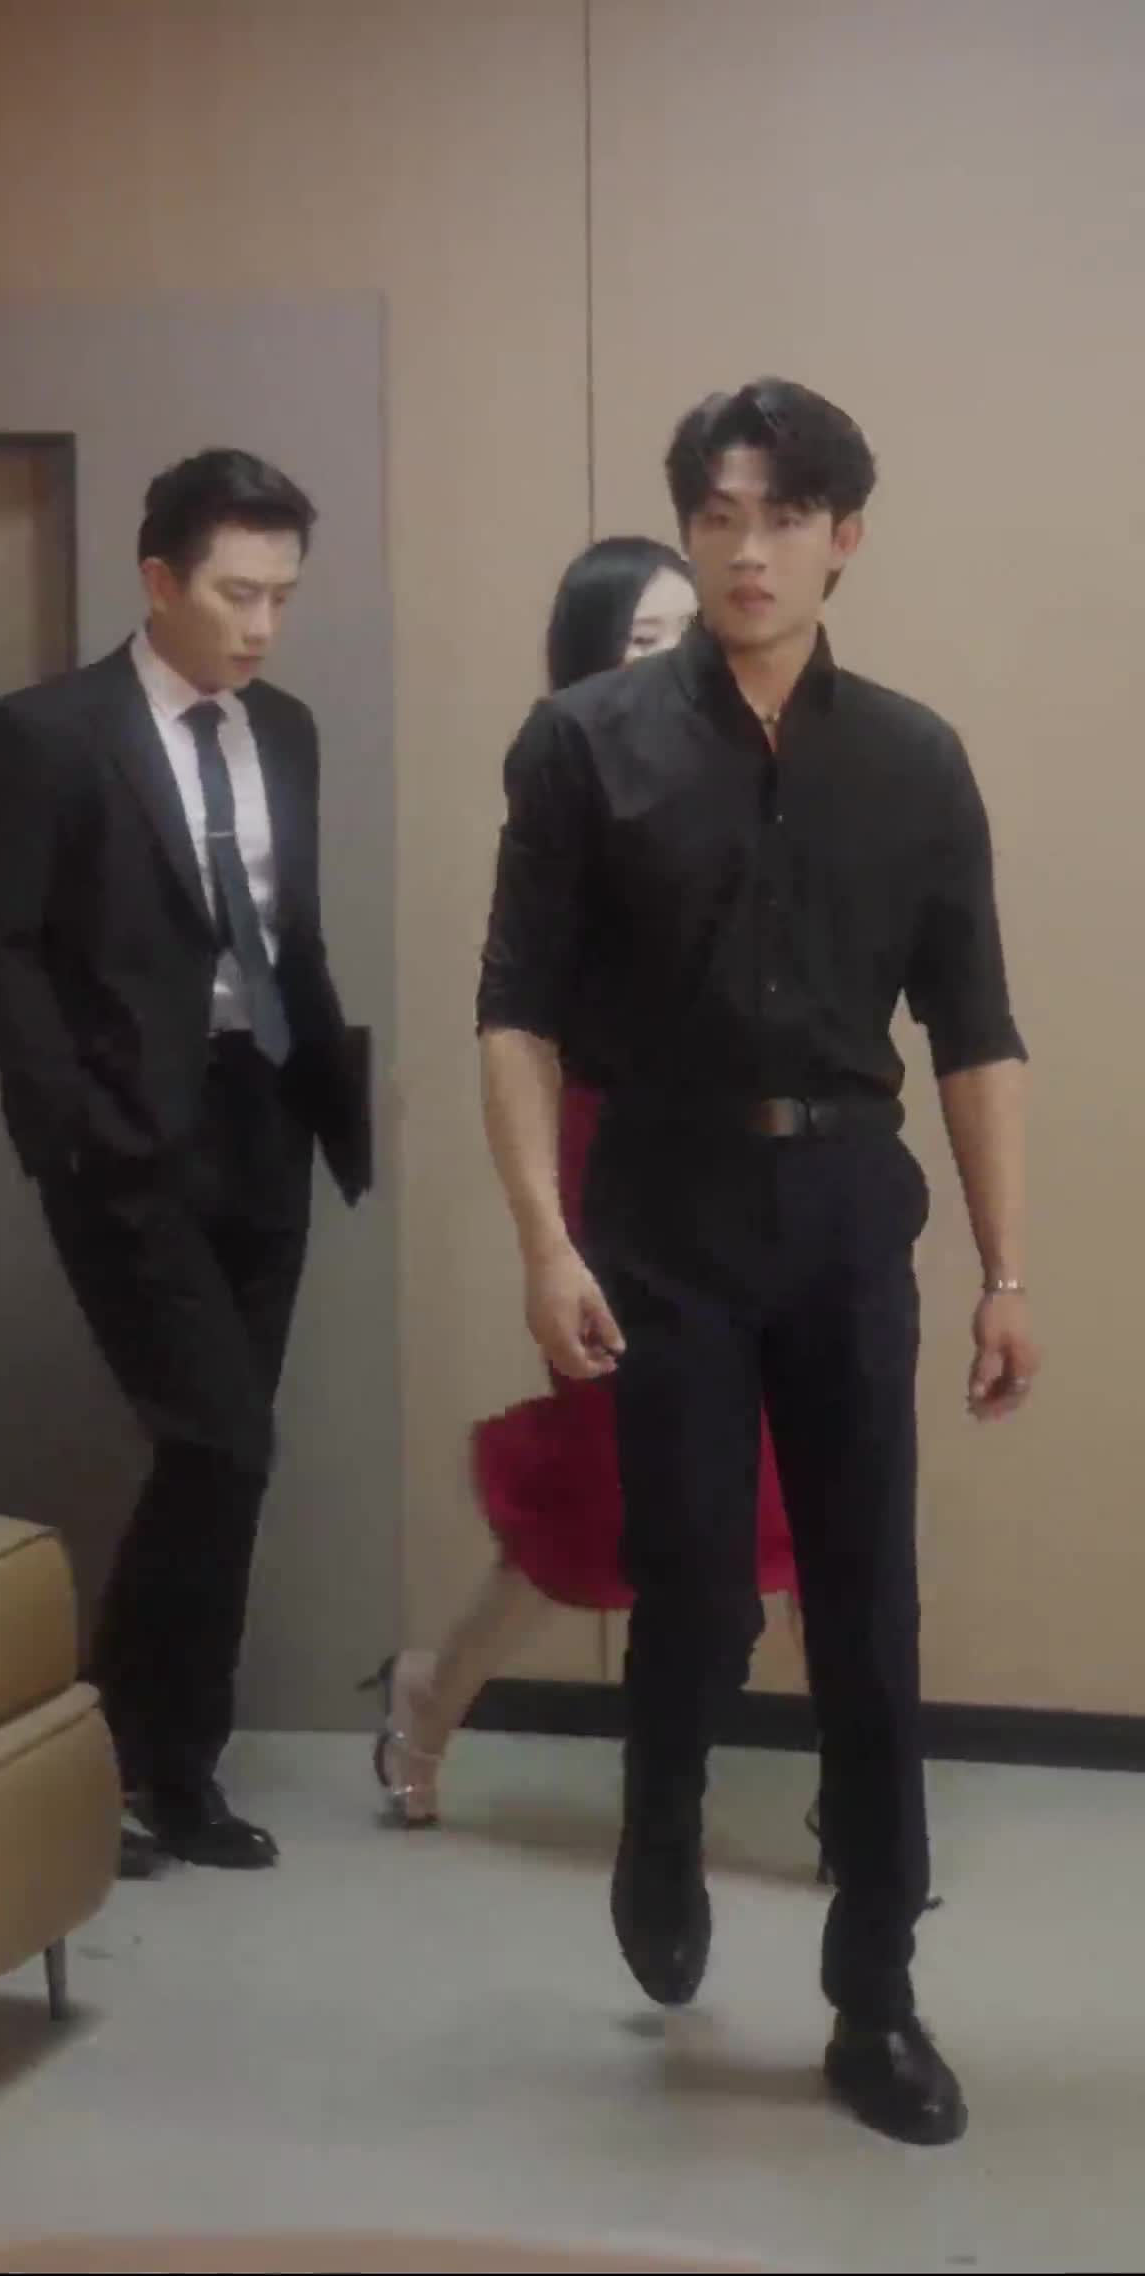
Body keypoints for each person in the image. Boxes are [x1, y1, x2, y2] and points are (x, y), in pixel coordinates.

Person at [477, 380, 1037, 2147]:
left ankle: (877, 1994)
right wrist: (544, 1238)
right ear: (688, 527)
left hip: (849, 1205)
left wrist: (1007, 1270)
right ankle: (661, 1816)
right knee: (697, 1580)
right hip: (663, 1207)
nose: (746, 550)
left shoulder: (915, 759)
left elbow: (976, 1029)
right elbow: (515, 1013)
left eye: (783, 517)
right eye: (717, 514)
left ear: (842, 538)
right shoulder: (585, 745)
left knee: (868, 1605)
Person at [0, 449, 371, 1879]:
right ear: (157, 579)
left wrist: (328, 1090)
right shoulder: (49, 733)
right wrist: (70, 1112)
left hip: (268, 1116)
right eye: (236, 593)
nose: (262, 626)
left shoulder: (286, 730)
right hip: (128, 1135)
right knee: (222, 1441)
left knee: (225, 1461)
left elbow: (287, 930)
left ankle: (154, 1765)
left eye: (283, 597)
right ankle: (134, 1761)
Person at [370, 539, 798, 1830]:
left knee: (797, 1474)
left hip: (754, 1159)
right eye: (646, 640)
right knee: (609, 1483)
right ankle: (431, 1696)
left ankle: (856, 1797)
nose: (682, 660)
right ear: (592, 664)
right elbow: (525, 1013)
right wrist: (548, 1238)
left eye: (692, 632)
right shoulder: (569, 777)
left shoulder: (772, 760)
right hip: (611, 1155)